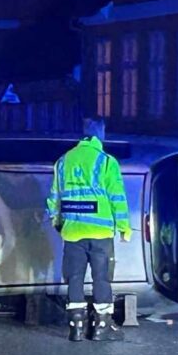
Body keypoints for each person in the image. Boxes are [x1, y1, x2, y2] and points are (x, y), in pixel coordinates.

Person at [47, 118, 131, 342]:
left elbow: (54, 197)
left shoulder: (63, 161)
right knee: (101, 278)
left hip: (72, 232)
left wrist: (57, 222)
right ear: (99, 135)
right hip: (100, 234)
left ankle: (76, 327)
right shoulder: (106, 161)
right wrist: (124, 227)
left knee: (74, 277)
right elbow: (117, 197)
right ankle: (102, 327)